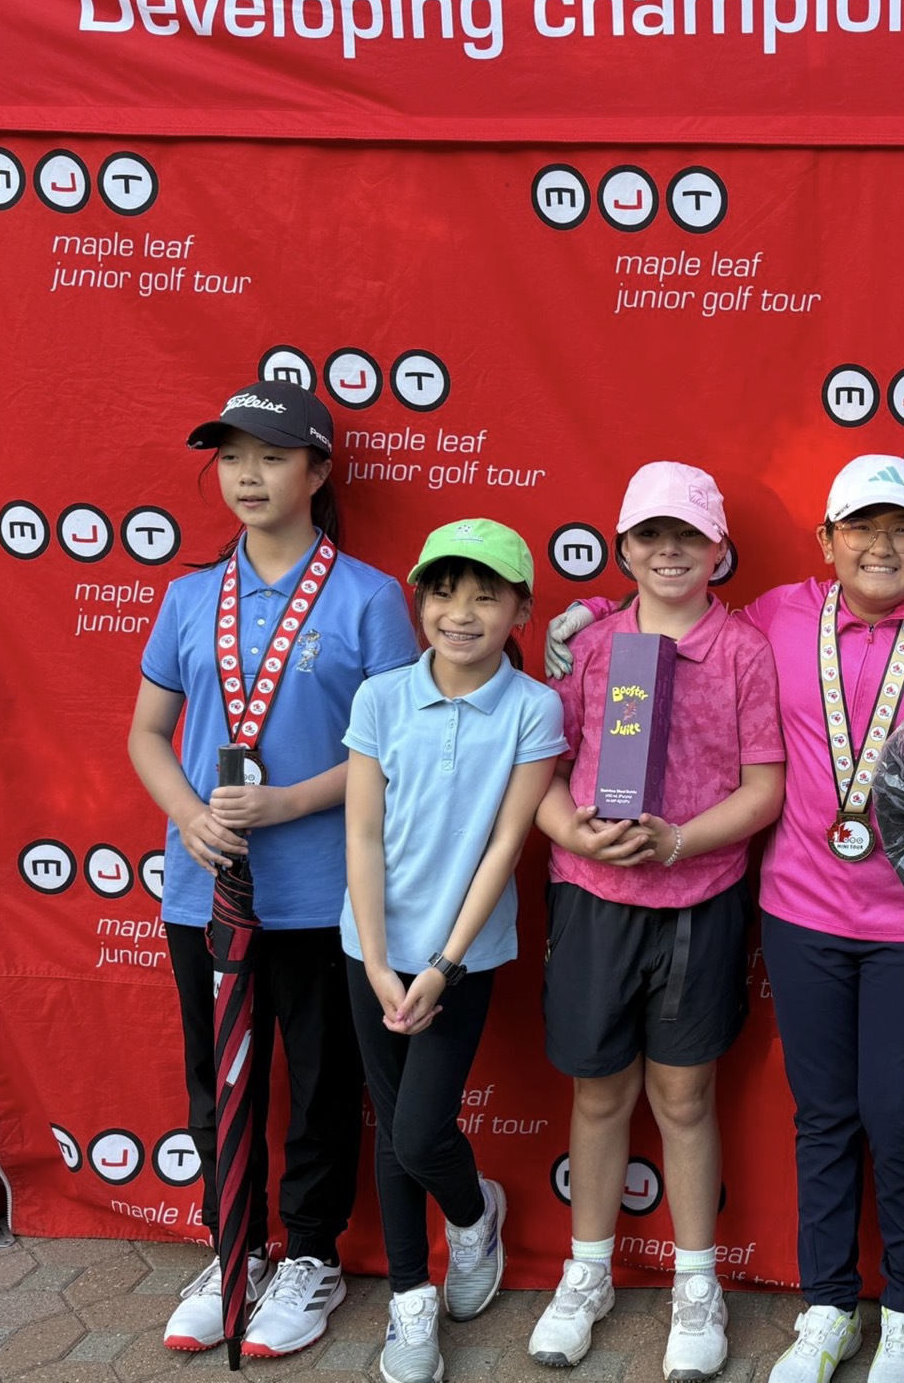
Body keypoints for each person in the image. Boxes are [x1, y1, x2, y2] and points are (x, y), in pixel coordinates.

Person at [553, 456, 904, 1383]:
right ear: (826, 541)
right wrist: (591, 612)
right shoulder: (778, 618)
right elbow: (673, 609)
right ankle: (828, 1307)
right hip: (801, 911)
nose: (882, 546)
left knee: (902, 1117)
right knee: (825, 1115)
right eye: (862, 528)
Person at [128, 381, 418, 1356]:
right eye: (231, 458)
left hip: (327, 894)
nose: (247, 476)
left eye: (272, 457)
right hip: (204, 889)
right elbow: (147, 734)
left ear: (319, 471)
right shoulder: (187, 597)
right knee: (217, 1081)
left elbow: (394, 749)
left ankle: (312, 1257)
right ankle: (234, 1249)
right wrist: (190, 816)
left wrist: (288, 804)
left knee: (326, 1082)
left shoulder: (370, 597)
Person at [530, 463, 786, 1376]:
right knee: (599, 1093)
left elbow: (764, 789)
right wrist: (573, 832)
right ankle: (587, 1272)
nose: (669, 552)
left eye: (689, 536)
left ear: (719, 550)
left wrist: (678, 841)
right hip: (591, 899)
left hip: (698, 902)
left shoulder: (745, 650)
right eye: (650, 536)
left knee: (684, 1097)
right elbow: (545, 769)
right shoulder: (591, 646)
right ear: (624, 548)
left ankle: (696, 1282)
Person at [342, 519, 565, 1383]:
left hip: (463, 956)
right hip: (368, 948)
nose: (461, 613)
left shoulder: (534, 707)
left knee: (419, 1132)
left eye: (484, 596)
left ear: (521, 610)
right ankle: (410, 1300)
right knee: (391, 1128)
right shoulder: (380, 698)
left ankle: (473, 1219)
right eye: (442, 593)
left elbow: (507, 843)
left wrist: (442, 965)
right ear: (419, 602)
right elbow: (363, 834)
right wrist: (376, 960)